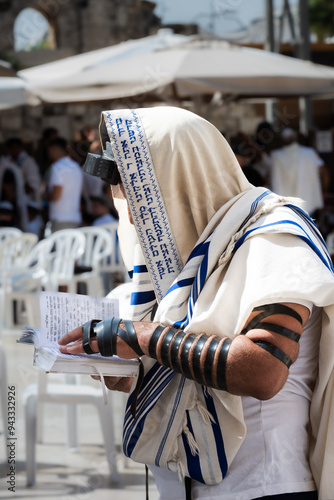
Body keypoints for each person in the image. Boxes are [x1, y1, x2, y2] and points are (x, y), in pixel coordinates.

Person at [58, 107, 334, 500]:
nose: (134, 218)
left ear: (176, 180)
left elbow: (261, 369)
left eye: (140, 197)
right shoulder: (189, 254)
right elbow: (184, 352)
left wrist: (142, 338)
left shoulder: (275, 239)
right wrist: (137, 371)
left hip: (264, 485)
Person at [270, 128, 326, 217]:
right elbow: (323, 171)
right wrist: (322, 192)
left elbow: (273, 180)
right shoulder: (310, 153)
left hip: (287, 207)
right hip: (308, 204)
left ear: (282, 142)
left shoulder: (276, 156)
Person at [47, 137, 83, 233]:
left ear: (54, 149)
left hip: (60, 218)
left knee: (59, 248)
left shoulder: (57, 167)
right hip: (74, 217)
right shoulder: (76, 167)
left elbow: (56, 195)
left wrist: (44, 195)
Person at [6, 137, 41, 204]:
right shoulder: (10, 160)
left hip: (28, 201)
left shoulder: (28, 162)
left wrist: (16, 189)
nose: (11, 151)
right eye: (9, 149)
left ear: (20, 148)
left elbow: (33, 186)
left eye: (13, 148)